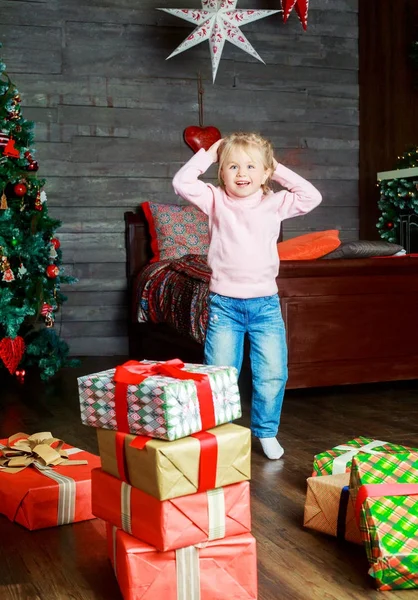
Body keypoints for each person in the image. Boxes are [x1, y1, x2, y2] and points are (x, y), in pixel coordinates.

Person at [172, 132, 322, 459]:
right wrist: (209, 153)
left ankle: (266, 431)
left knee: (272, 372)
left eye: (252, 167)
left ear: (266, 173)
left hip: (265, 306)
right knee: (220, 374)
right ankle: (222, 433)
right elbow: (182, 182)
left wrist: (275, 166)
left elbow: (312, 197)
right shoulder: (214, 199)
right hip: (224, 306)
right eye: (233, 166)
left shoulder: (274, 202)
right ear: (221, 172)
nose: (242, 174)